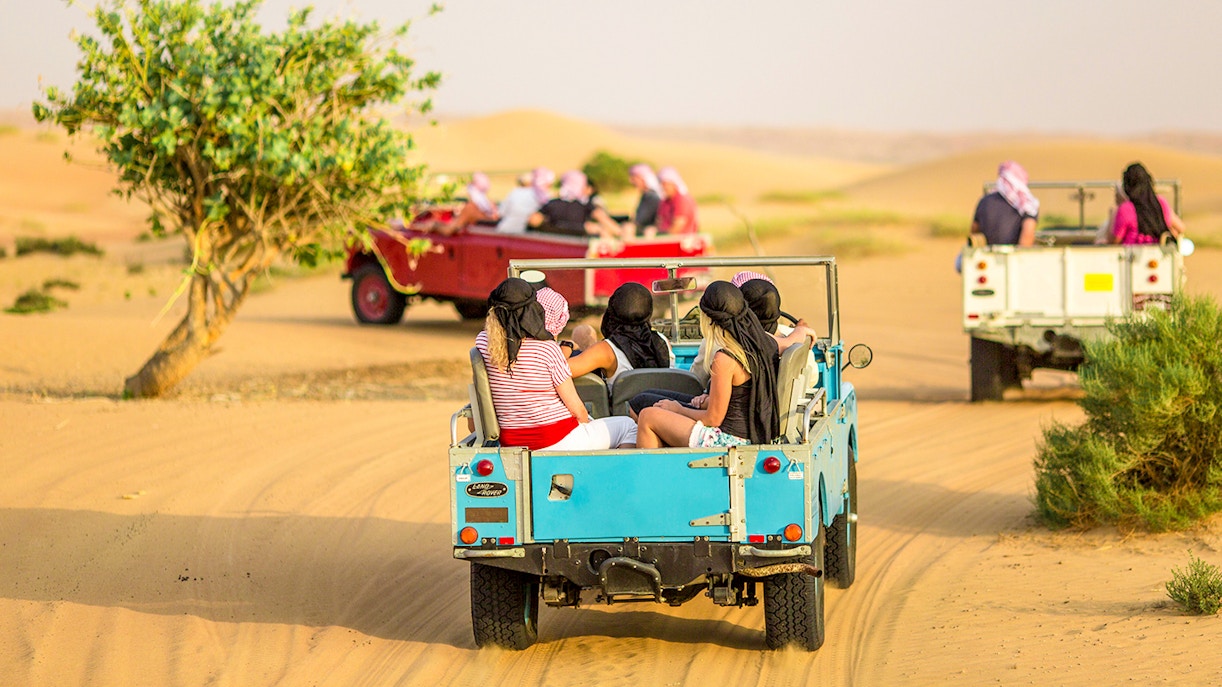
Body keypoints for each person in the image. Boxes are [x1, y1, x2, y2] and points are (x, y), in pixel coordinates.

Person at [475, 278, 636, 451]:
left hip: (512, 441)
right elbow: (577, 410)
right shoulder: (548, 350)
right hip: (557, 439)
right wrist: (588, 425)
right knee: (628, 427)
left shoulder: (483, 343)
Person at [636, 281, 779, 449]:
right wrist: (802, 330)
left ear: (709, 319)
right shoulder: (763, 342)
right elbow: (791, 340)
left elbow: (713, 419)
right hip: (750, 435)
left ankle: (653, 475)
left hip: (729, 440)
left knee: (648, 416)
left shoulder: (724, 359)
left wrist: (677, 409)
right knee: (657, 412)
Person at [567, 282, 672, 388]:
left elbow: (559, 373)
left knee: (582, 333)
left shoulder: (606, 350)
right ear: (648, 312)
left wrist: (567, 346)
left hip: (624, 404)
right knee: (583, 332)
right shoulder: (663, 342)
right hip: (662, 402)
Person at [1109, 162, 1187, 245]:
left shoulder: (1126, 209)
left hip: (1132, 254)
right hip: (1159, 252)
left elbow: (1115, 241)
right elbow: (1181, 228)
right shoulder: (1161, 203)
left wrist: (1114, 213)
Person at [528, 170, 621, 238]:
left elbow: (533, 220)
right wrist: (619, 232)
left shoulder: (552, 203)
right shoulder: (584, 204)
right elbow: (604, 220)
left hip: (556, 243)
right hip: (579, 245)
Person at [971, 161, 1039, 246]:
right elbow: (1027, 235)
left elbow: (974, 232)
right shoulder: (1027, 205)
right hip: (1014, 255)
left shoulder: (984, 201)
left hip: (987, 255)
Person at [656, 166, 699, 235]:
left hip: (680, 241)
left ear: (674, 184)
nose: (662, 187)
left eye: (665, 184)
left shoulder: (681, 200)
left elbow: (677, 227)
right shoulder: (665, 201)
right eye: (661, 184)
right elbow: (659, 222)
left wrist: (660, 236)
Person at [624, 163, 662, 237]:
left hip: (649, 231)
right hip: (644, 229)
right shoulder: (646, 195)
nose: (631, 181)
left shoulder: (652, 197)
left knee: (628, 228)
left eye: (633, 178)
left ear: (642, 178)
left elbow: (640, 221)